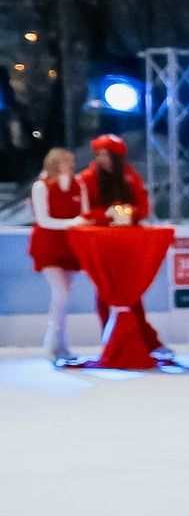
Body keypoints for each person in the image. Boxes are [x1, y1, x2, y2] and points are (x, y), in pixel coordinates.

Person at [28, 147, 90, 364]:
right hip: (47, 245)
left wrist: (79, 223)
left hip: (69, 246)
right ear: (55, 163)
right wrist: (71, 223)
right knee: (60, 292)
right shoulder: (40, 186)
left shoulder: (78, 184)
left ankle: (59, 344)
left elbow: (84, 213)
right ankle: (56, 343)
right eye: (66, 162)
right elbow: (43, 219)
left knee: (63, 295)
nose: (70, 166)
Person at [79, 134, 149, 224]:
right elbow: (83, 211)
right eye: (98, 155)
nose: (101, 159)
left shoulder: (132, 177)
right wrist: (106, 214)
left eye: (105, 155)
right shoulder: (88, 177)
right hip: (97, 228)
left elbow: (144, 209)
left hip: (126, 227)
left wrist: (129, 212)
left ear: (116, 157)